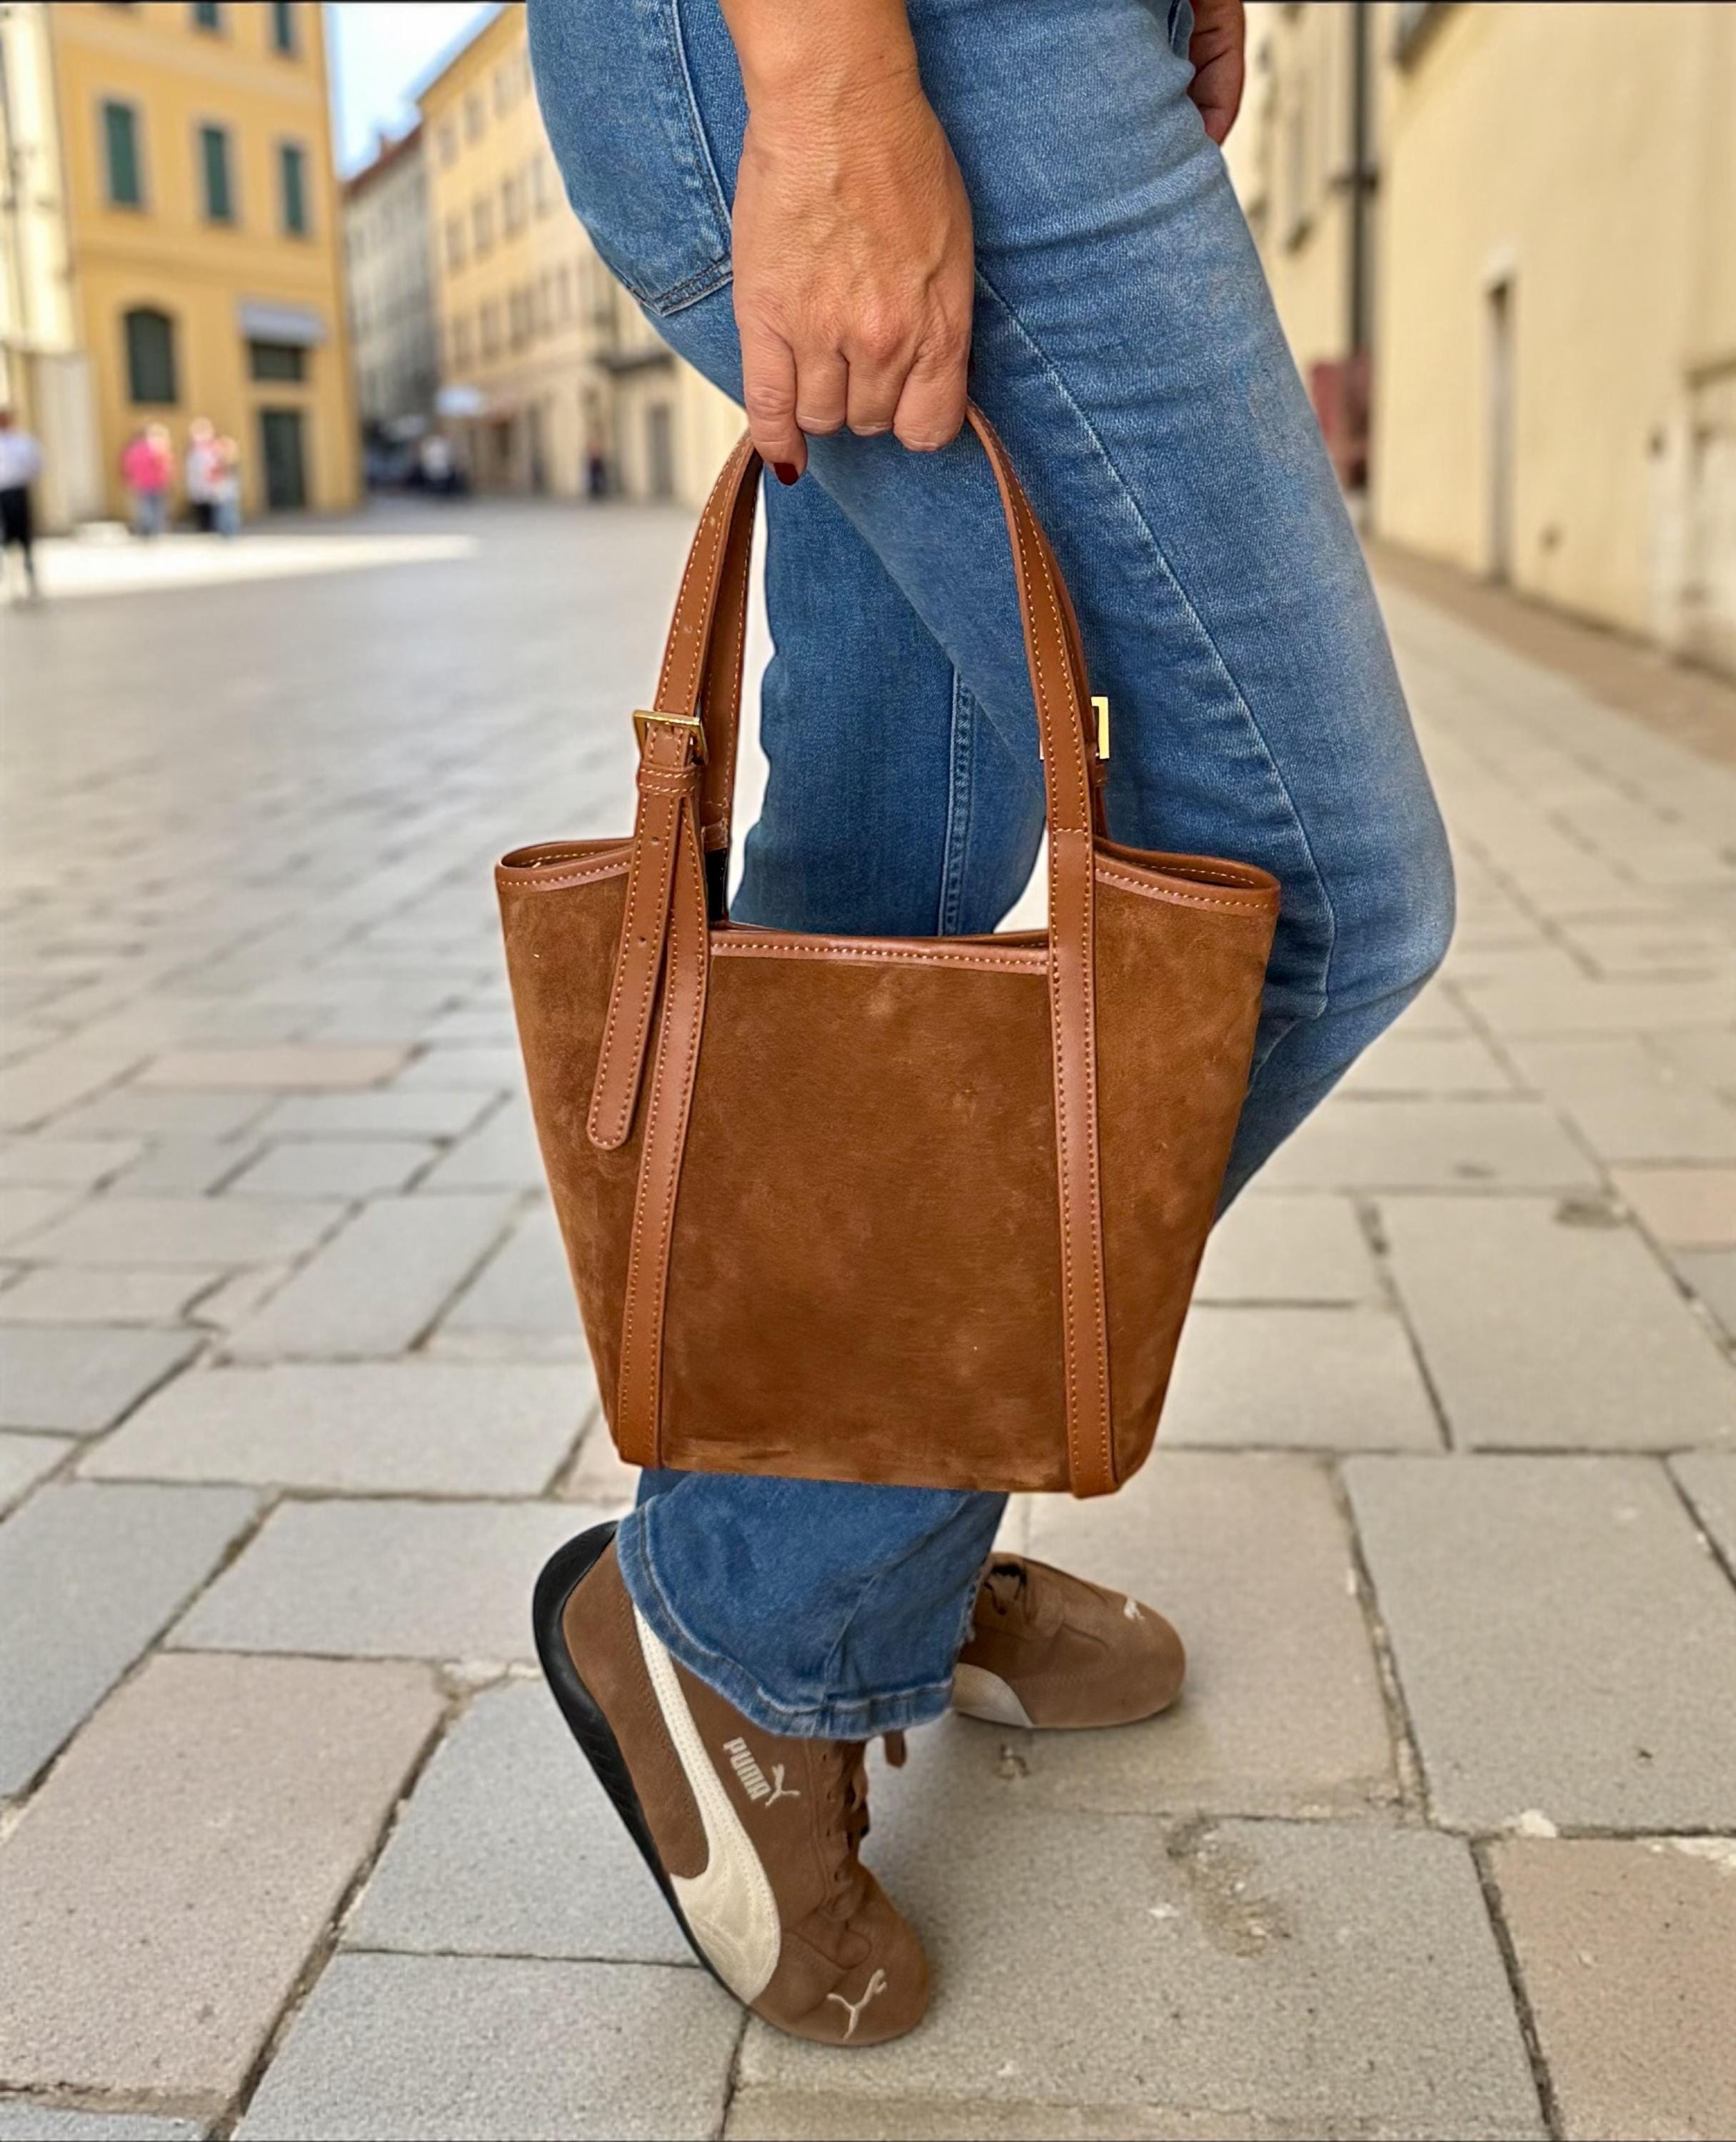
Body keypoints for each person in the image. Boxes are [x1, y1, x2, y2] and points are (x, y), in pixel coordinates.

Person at [526, 0, 1454, 2048]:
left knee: (885, 856)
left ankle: (865, 1574)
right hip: (909, 38)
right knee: (1305, 892)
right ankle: (756, 1599)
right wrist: (832, 78)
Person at [0, 406, 44, 602]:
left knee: (25, 536)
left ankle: (30, 579)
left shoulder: (22, 442)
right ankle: (12, 583)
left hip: (18, 491)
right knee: (6, 539)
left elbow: (36, 463)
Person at [120, 424, 173, 536]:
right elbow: (164, 466)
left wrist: (130, 481)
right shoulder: (155, 450)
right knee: (156, 508)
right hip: (156, 483)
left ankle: (149, 528)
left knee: (146, 507)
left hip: (142, 483)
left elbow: (128, 467)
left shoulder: (133, 451)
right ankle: (156, 529)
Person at [185, 418, 221, 534]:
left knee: (211, 506)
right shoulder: (192, 450)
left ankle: (213, 528)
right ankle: (203, 528)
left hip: (211, 483)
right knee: (200, 507)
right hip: (198, 483)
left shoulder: (213, 449)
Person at [211, 435, 242, 538]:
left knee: (227, 510)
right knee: (226, 509)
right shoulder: (223, 458)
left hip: (227, 487)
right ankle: (227, 530)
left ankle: (228, 530)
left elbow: (224, 473)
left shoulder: (228, 459)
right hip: (225, 487)